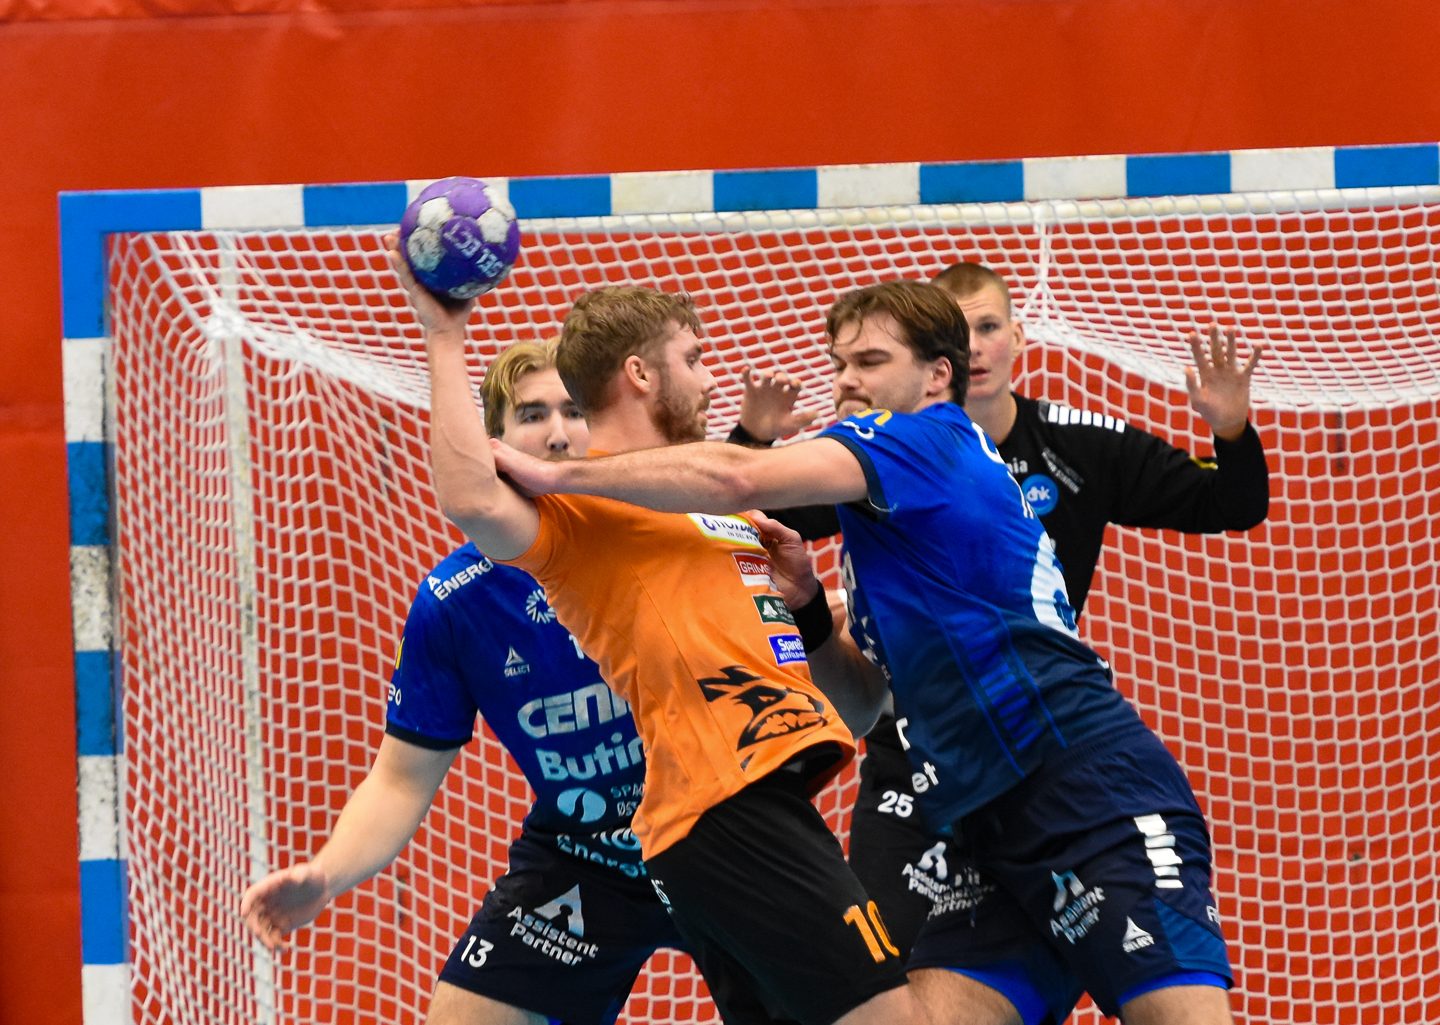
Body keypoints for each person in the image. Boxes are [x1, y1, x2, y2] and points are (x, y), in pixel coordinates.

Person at [491, 279, 1251, 1025]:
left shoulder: (923, 437)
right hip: (979, 822)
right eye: (841, 363)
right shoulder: (882, 517)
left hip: (1079, 783)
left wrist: (560, 473)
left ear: (938, 376)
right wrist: (809, 611)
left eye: (871, 361)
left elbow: (734, 475)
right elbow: (860, 704)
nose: (847, 380)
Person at [396, 236, 921, 1025]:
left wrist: (810, 603)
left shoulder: (724, 507)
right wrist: (445, 334)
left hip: (762, 797)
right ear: (640, 374)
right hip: (728, 805)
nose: (710, 380)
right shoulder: (577, 509)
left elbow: (855, 709)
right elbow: (472, 497)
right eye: (694, 358)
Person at [240, 340, 692, 1025]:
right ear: (493, 444)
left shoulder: (669, 530)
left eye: (574, 410)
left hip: (718, 838)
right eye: (533, 414)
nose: (558, 432)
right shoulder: (457, 600)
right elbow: (400, 779)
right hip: (584, 856)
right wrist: (326, 875)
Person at [844, 261, 1269, 956]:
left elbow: (1232, 503)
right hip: (914, 750)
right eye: (958, 332)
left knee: (1058, 961)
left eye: (988, 327)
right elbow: (763, 508)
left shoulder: (1078, 446)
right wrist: (751, 439)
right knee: (877, 971)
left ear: (1017, 337)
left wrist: (1231, 432)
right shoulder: (876, 454)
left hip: (1034, 745)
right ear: (935, 358)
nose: (975, 347)